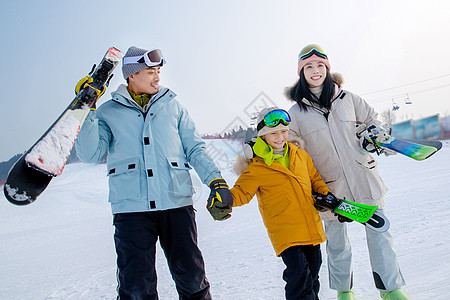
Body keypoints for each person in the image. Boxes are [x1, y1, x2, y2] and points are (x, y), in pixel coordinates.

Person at [74, 46, 233, 299]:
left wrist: (216, 181)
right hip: (131, 210)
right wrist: (87, 108)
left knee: (192, 279)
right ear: (131, 75)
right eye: (150, 71)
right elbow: (90, 154)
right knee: (136, 288)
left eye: (158, 71)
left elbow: (195, 149)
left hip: (175, 203)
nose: (157, 77)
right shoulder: (107, 112)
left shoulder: (174, 107)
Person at [286, 44, 410, 300]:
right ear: (301, 73)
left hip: (364, 179)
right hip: (330, 189)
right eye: (308, 67)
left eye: (320, 65)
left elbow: (371, 120)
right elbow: (293, 151)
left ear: (328, 68)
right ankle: (345, 291)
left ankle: (390, 290)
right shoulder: (296, 113)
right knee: (338, 245)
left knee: (380, 234)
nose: (315, 70)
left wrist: (371, 135)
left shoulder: (349, 99)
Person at [230, 107, 340, 299]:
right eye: (274, 133)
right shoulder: (257, 166)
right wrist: (224, 199)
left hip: (310, 226)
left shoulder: (299, 154)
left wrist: (325, 195)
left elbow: (315, 179)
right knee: (299, 277)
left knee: (313, 274)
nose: (280, 136)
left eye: (284, 131)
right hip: (285, 231)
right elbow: (241, 192)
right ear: (263, 136)